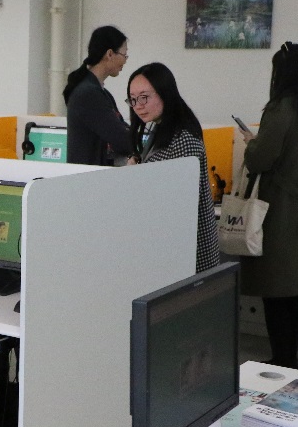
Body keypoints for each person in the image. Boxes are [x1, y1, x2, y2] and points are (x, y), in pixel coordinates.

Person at [236, 42, 298, 369]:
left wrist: (252, 144)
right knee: (293, 291)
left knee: (275, 289)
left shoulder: (281, 108)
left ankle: (282, 359)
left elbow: (262, 159)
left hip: (279, 211)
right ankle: (289, 357)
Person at [126, 62, 220, 273]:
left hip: (190, 255)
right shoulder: (160, 129)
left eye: (144, 97)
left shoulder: (183, 138)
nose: (138, 105)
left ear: (164, 93)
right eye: (133, 99)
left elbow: (179, 204)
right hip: (174, 249)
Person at [65, 25, 134, 165]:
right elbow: (121, 140)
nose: (125, 60)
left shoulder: (101, 93)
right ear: (110, 54)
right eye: (124, 55)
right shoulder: (88, 94)